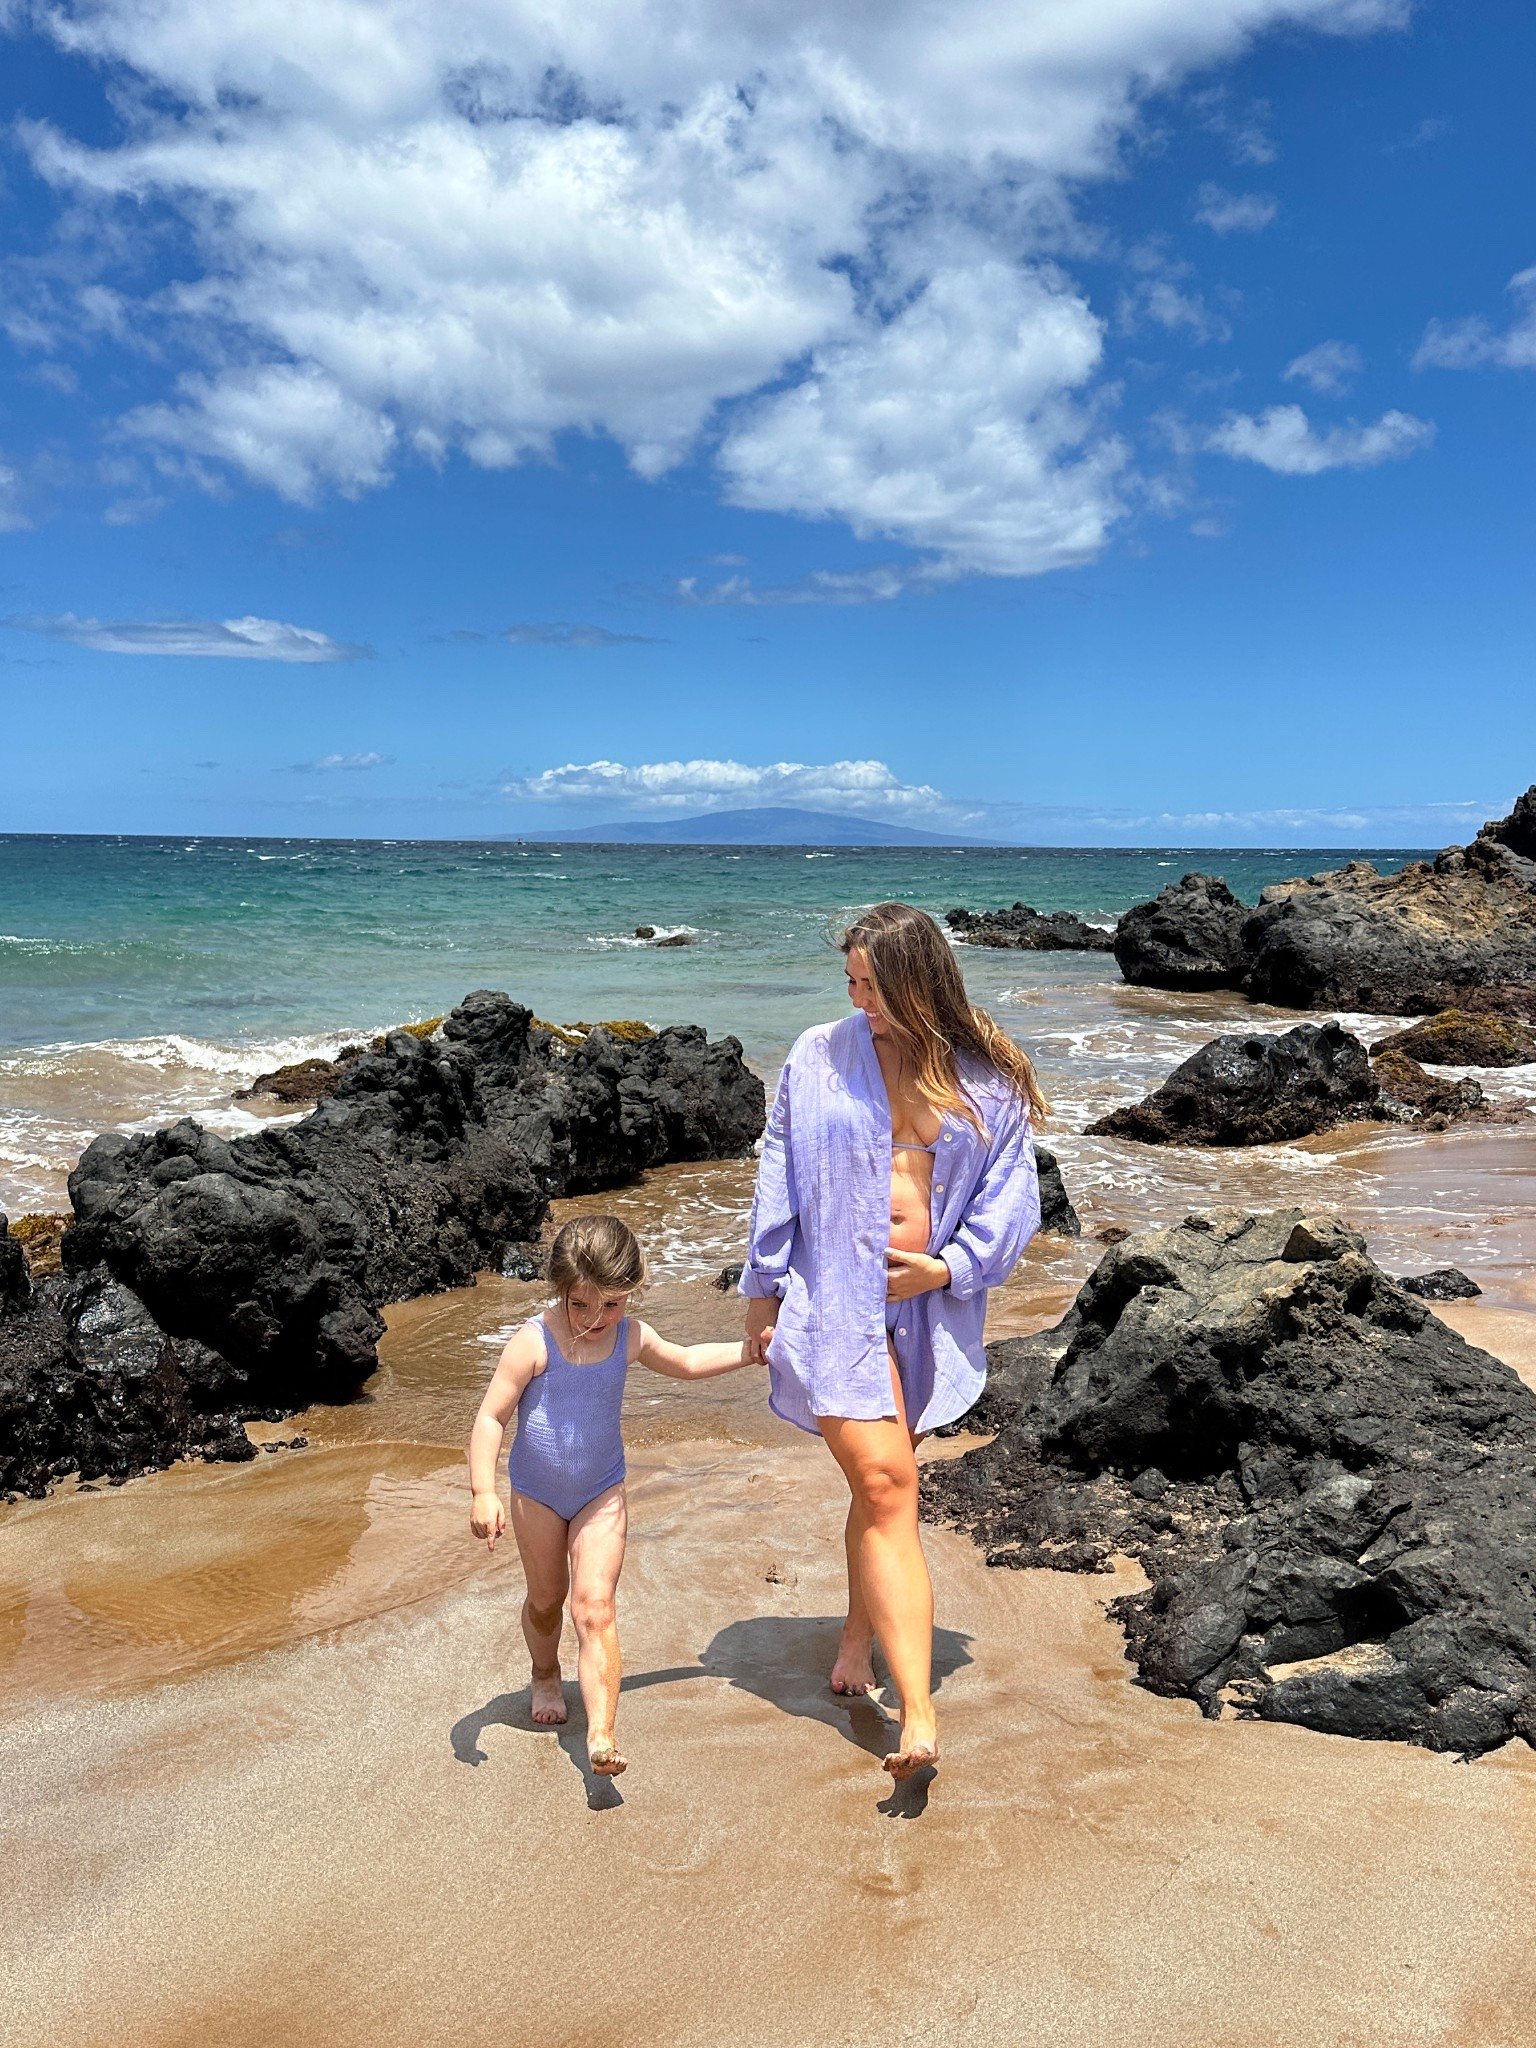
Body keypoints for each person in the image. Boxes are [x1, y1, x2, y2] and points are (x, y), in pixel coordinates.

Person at [741, 902, 1044, 1780]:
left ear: (919, 984)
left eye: (872, 986)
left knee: (884, 1495)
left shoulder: (987, 1078)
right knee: (886, 1481)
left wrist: (946, 1269)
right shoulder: (817, 1056)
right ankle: (918, 1714)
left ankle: (854, 1638)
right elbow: (777, 1172)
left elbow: (1011, 1201)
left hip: (927, 1310)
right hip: (831, 1300)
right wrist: (760, 1291)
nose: (858, 1001)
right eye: (851, 983)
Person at [469, 1213, 760, 1777]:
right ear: (560, 1290)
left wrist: (748, 1352)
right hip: (536, 1494)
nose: (596, 1318)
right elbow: (490, 1417)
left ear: (631, 1292)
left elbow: (687, 1361)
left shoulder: (631, 1337)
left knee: (595, 1607)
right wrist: (484, 1490)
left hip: (601, 1491)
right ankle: (545, 1673)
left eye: (612, 1304)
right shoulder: (533, 1342)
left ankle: (601, 1736)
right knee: (547, 1600)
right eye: (581, 1304)